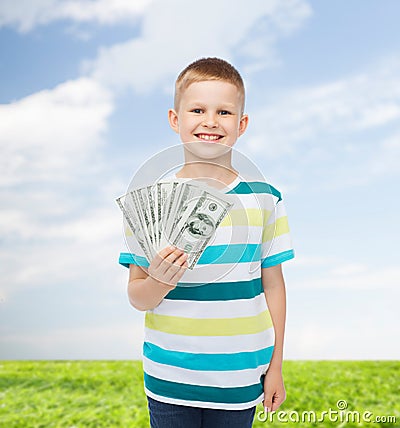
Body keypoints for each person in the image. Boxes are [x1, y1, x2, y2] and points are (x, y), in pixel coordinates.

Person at [118, 57, 295, 428]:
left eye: (224, 112)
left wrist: (276, 364)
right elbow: (138, 297)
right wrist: (159, 281)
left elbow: (273, 285)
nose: (211, 121)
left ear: (241, 124)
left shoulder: (264, 199)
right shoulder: (149, 202)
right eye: (197, 109)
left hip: (241, 378)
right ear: (175, 119)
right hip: (169, 378)